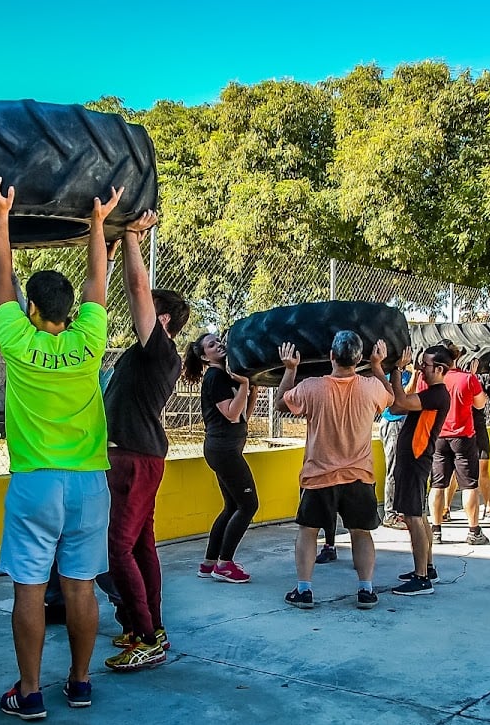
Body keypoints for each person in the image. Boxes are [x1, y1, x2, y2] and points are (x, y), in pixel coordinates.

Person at [0, 172, 116, 719]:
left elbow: (0, 279)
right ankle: (80, 683)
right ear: (69, 312)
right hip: (89, 482)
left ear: (31, 310)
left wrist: (0, 215)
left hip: (36, 481)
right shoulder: (89, 339)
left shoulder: (16, 339)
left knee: (30, 590)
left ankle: (30, 691)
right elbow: (98, 283)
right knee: (81, 588)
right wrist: (98, 223)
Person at [102, 212, 191, 671]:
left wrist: (134, 236)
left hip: (135, 459)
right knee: (139, 547)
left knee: (116, 549)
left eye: (147, 310)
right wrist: (109, 252)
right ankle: (147, 625)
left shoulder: (160, 349)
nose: (135, 314)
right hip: (138, 456)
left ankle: (148, 634)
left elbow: (138, 291)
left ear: (163, 319)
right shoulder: (146, 353)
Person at [276, 332, 392, 610]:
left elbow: (281, 404)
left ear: (331, 356)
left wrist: (290, 369)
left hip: (319, 477)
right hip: (359, 476)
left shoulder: (312, 387)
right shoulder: (371, 388)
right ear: (359, 359)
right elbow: (391, 398)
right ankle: (366, 590)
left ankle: (304, 591)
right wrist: (377, 365)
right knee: (361, 532)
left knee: (307, 531)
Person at [183, 332, 259, 583]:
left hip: (225, 448)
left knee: (232, 506)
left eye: (219, 340)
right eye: (212, 345)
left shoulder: (226, 376)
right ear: (205, 356)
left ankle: (208, 564)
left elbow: (242, 416)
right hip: (224, 450)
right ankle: (224, 564)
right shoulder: (215, 377)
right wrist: (245, 387)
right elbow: (229, 413)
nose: (219, 345)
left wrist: (251, 390)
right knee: (248, 505)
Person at [386, 346, 452, 596]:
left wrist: (396, 369)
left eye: (425, 365)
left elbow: (401, 401)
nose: (420, 367)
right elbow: (396, 408)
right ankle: (427, 567)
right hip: (413, 460)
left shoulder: (437, 394)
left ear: (439, 369)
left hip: (415, 461)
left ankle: (422, 578)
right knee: (419, 516)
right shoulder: (429, 393)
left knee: (413, 518)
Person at [427, 352, 488, 545]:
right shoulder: (467, 378)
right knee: (469, 485)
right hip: (463, 436)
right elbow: (480, 404)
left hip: (438, 435)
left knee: (437, 484)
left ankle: (435, 530)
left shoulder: (430, 378)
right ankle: (473, 531)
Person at [378, 368, 413, 529]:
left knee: (403, 470)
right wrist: (417, 376)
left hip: (405, 423)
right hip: (393, 423)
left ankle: (400, 510)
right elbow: (403, 396)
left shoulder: (407, 374)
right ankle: (389, 514)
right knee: (393, 469)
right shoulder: (391, 374)